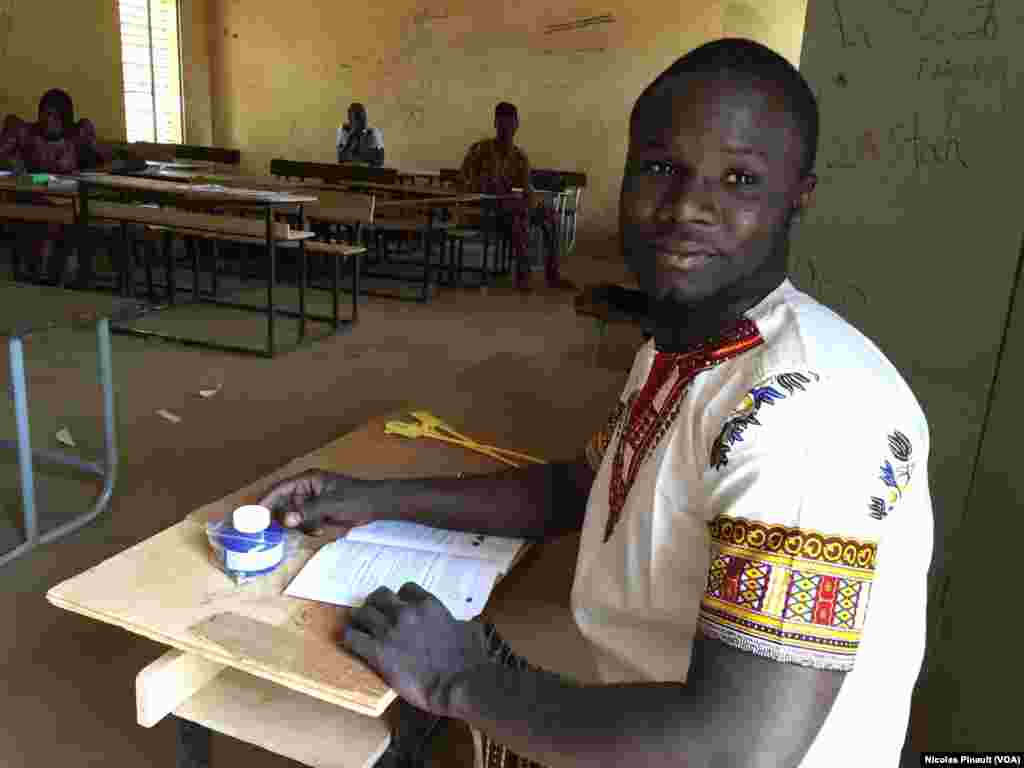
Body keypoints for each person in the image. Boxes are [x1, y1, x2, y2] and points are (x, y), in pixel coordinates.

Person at [259, 38, 932, 768]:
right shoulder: (682, 347)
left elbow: (737, 751)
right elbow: (578, 489)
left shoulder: (807, 415)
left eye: (739, 178)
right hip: (646, 708)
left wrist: (461, 679)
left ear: (799, 194)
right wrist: (371, 498)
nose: (687, 208)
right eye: (660, 169)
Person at [458, 102, 573, 292]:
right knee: (518, 217)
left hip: (510, 210)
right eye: (502, 124)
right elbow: (462, 182)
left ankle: (553, 275)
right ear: (495, 124)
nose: (507, 129)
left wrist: (532, 204)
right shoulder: (480, 151)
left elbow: (528, 190)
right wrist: (486, 187)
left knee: (550, 215)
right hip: (483, 210)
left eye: (510, 124)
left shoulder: (519, 157)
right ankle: (523, 275)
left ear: (517, 125)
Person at [0, 89, 110, 285]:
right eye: (46, 115)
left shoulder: (79, 134)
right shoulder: (25, 133)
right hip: (35, 197)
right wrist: (13, 162)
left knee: (67, 219)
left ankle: (58, 275)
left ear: (67, 119)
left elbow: (106, 160)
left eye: (56, 116)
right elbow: (8, 160)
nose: (50, 121)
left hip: (68, 199)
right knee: (42, 217)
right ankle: (41, 274)